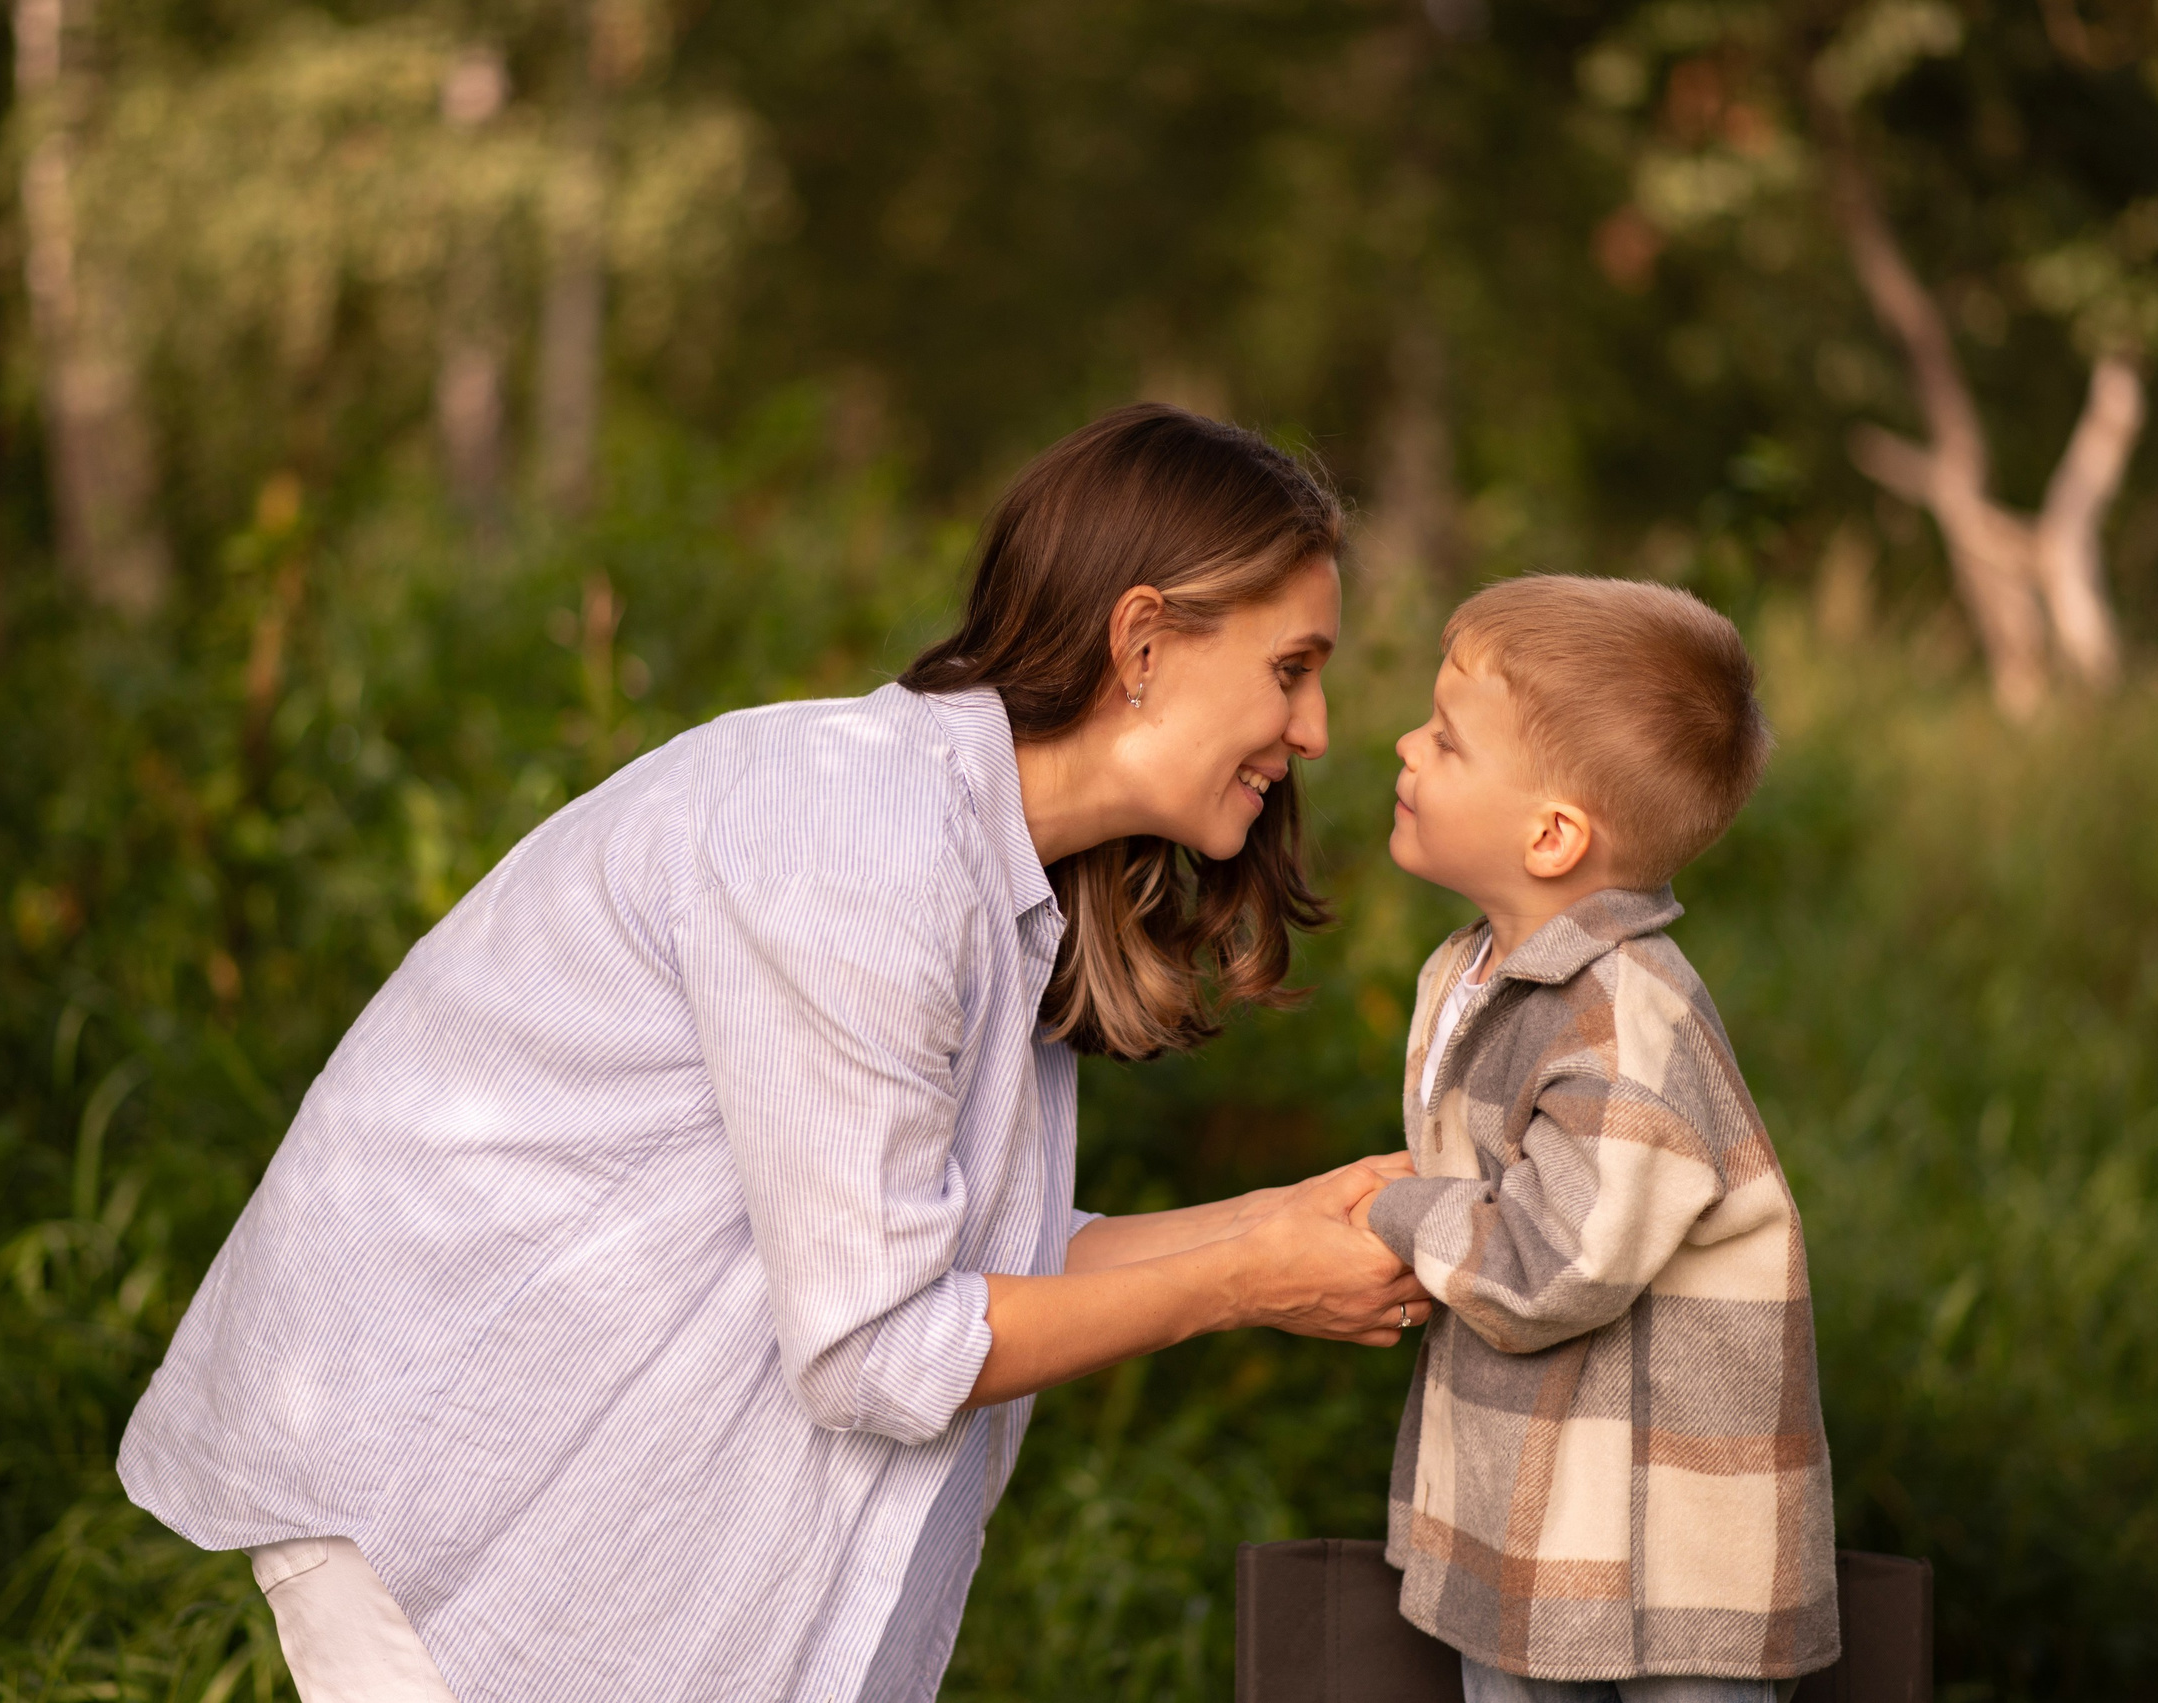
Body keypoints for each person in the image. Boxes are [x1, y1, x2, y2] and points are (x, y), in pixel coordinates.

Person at [116, 404, 1436, 1703]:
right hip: (451, 1495)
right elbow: (880, 1343)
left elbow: (968, 1261)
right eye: (1291, 667)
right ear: (1143, 640)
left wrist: (1274, 1220)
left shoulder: (996, 870)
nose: (1316, 729)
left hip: (566, 1495)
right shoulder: (860, 837)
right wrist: (1247, 1280)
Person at [1356, 575, 1837, 1701]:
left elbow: (1551, 1262)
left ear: (1553, 832)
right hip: (1532, 1500)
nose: (1404, 744)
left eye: (1445, 737)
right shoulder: (1481, 975)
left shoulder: (1622, 1016)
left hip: (1665, 1548)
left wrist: (1390, 1210)